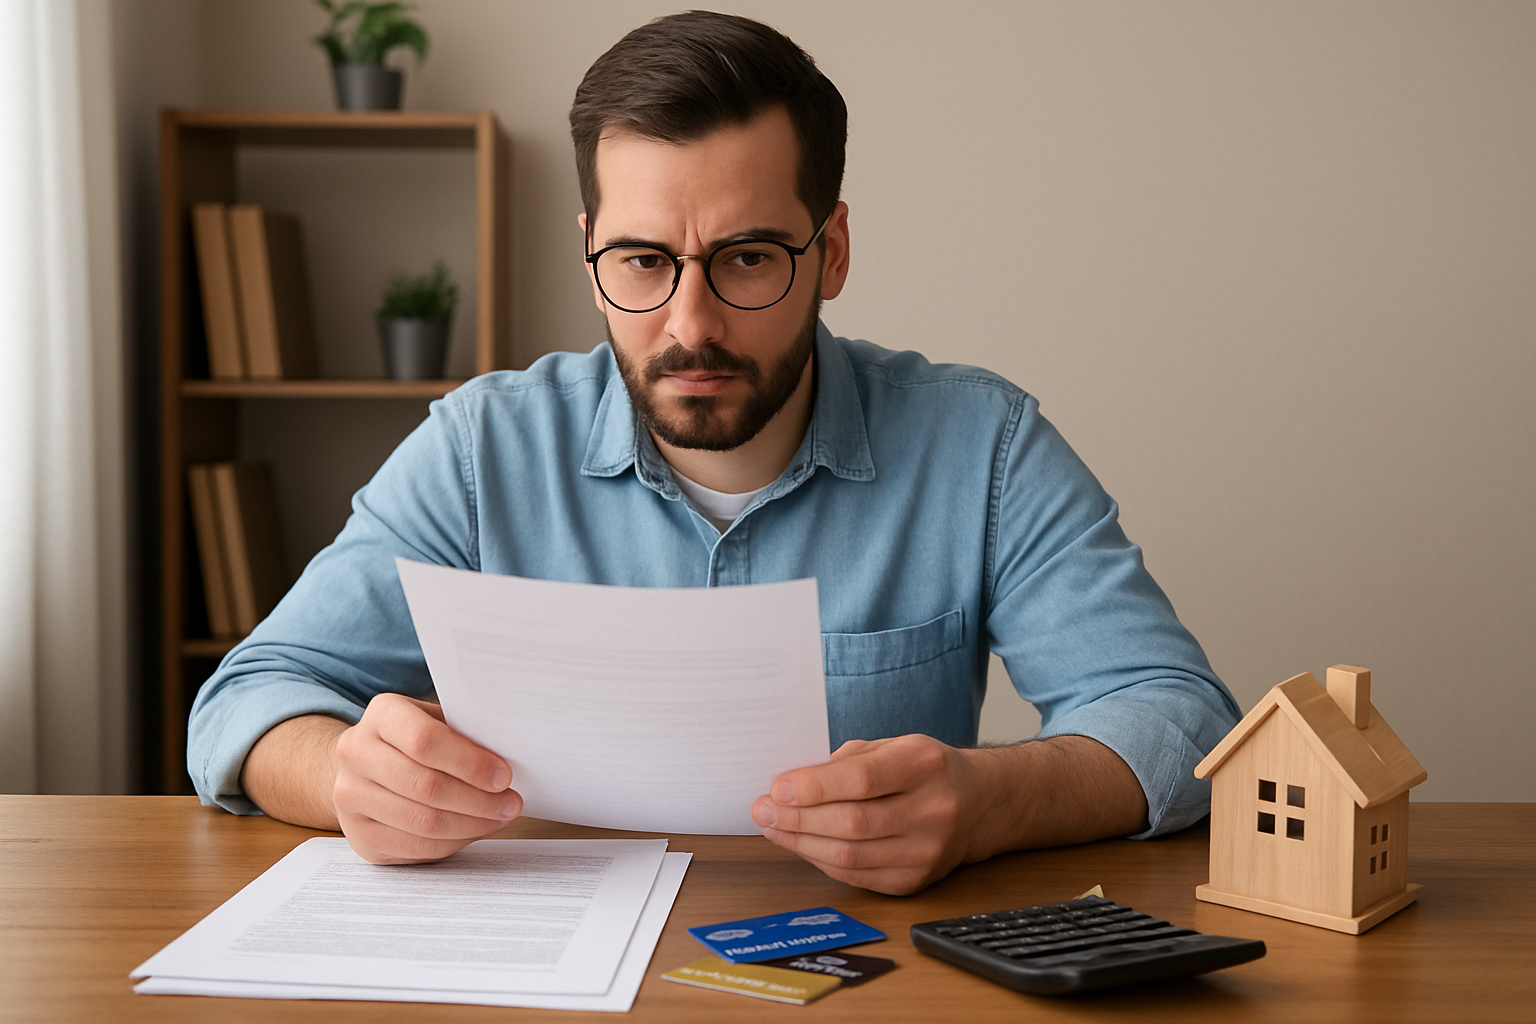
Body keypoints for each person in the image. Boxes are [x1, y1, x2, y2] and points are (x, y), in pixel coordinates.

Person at [189, 11, 1240, 896]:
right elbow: (249, 699)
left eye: (746, 258)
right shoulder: (480, 446)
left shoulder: (985, 445)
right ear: (592, 256)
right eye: (643, 260)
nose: (690, 322)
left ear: (828, 252)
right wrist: (345, 776)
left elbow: (1180, 714)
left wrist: (990, 799)